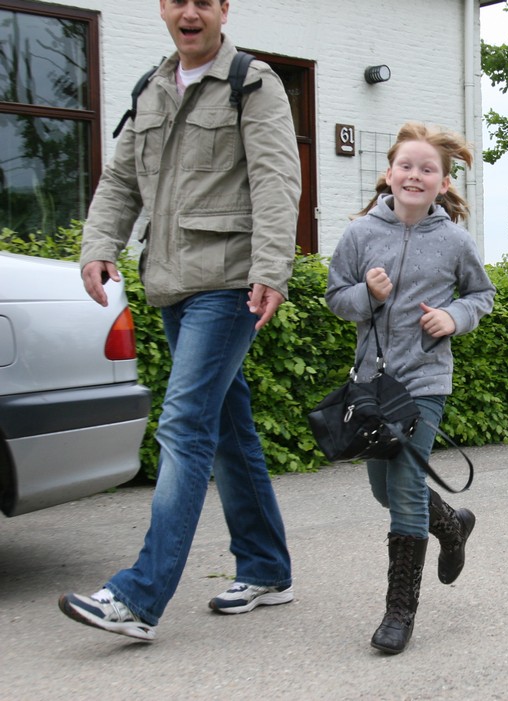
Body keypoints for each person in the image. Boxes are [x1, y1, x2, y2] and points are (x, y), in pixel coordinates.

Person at [58, 0, 300, 641]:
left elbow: (277, 179)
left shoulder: (252, 82)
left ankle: (138, 596)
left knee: (185, 425)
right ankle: (267, 567)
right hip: (170, 283)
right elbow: (120, 180)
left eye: (204, 1)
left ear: (223, 10)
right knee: (227, 429)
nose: (190, 13)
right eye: (178, 1)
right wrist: (99, 244)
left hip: (229, 283)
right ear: (164, 9)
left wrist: (271, 269)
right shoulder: (152, 87)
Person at [325, 122, 495, 654]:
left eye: (427, 169)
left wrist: (453, 317)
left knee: (402, 488)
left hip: (424, 381)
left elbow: (482, 296)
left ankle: (399, 613)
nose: (415, 175)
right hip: (371, 385)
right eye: (406, 166)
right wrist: (367, 295)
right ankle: (451, 524)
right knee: (384, 488)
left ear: (443, 182)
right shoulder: (360, 235)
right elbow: (336, 298)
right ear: (389, 173)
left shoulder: (454, 241)